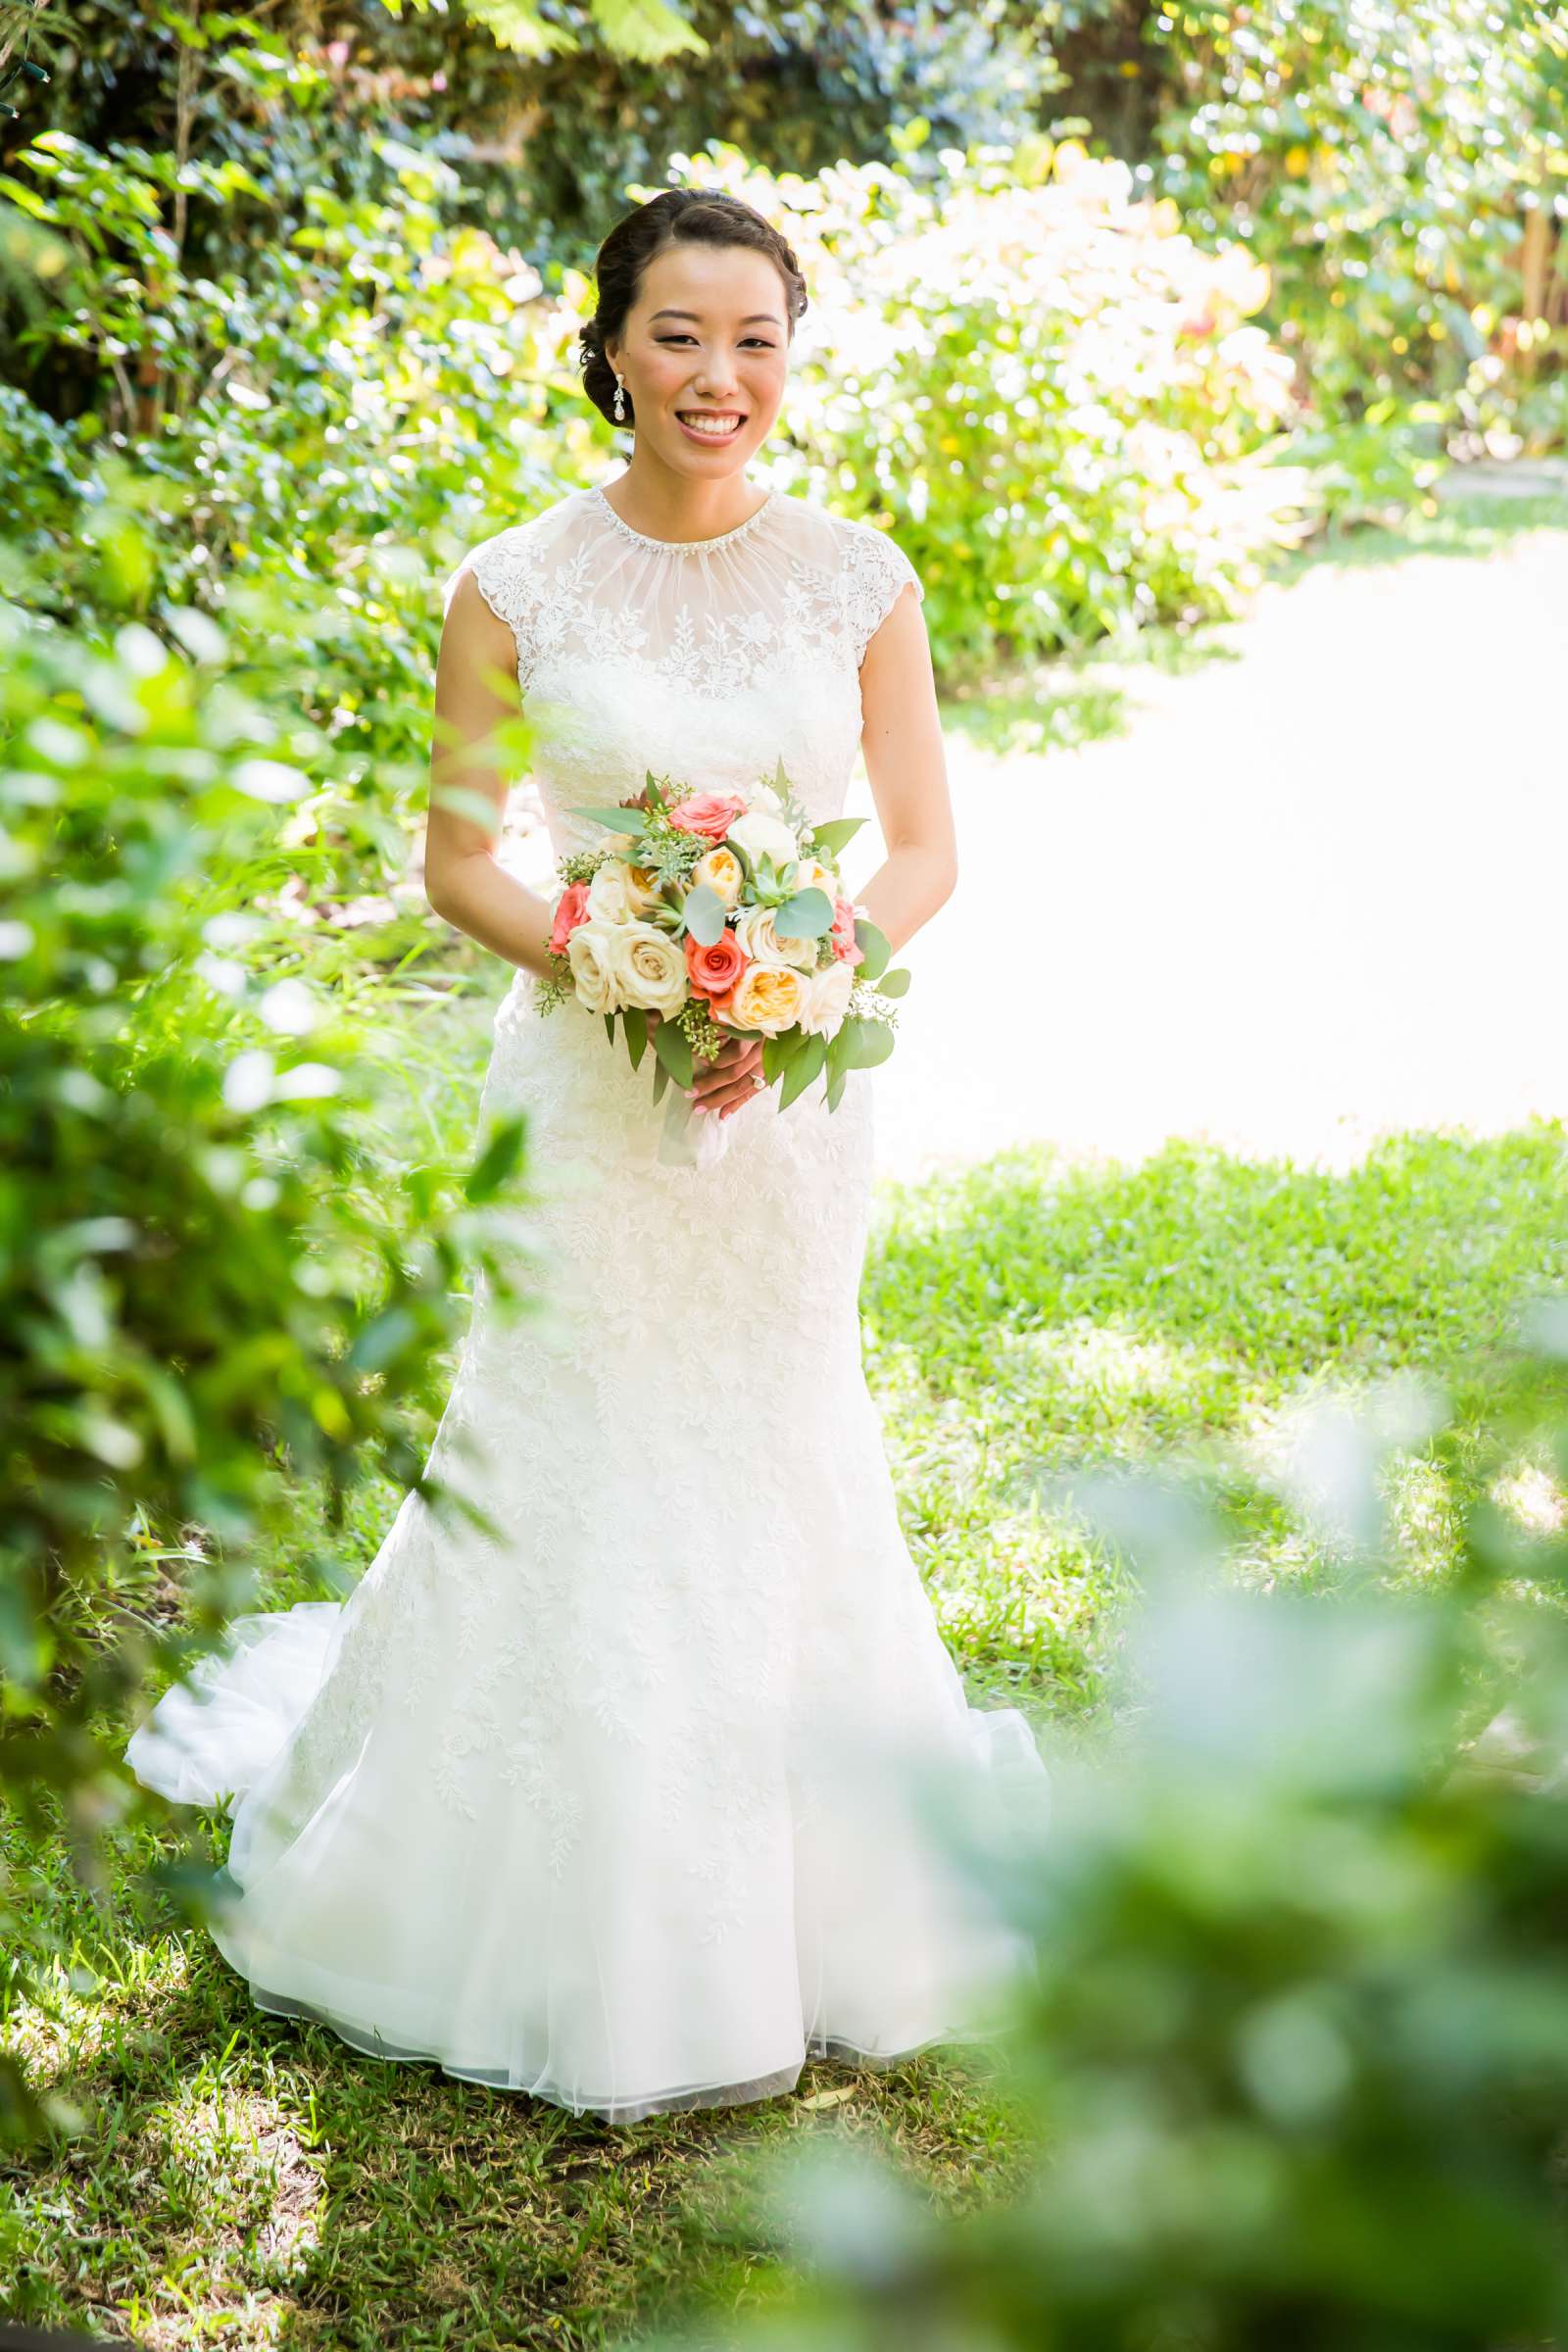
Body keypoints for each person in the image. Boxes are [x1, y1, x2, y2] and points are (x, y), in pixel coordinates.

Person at [123, 187, 1049, 2124]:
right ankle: (524, 1882)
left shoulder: (860, 578)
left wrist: (785, 989)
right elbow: (461, 862)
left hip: (787, 1107)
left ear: (789, 358)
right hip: (583, 1082)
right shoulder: (511, 584)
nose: (719, 378)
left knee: (774, 1430)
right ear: (609, 346)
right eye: (678, 336)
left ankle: (816, 1881)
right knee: (566, 1431)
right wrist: (633, 975)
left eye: (755, 340)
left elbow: (921, 851)